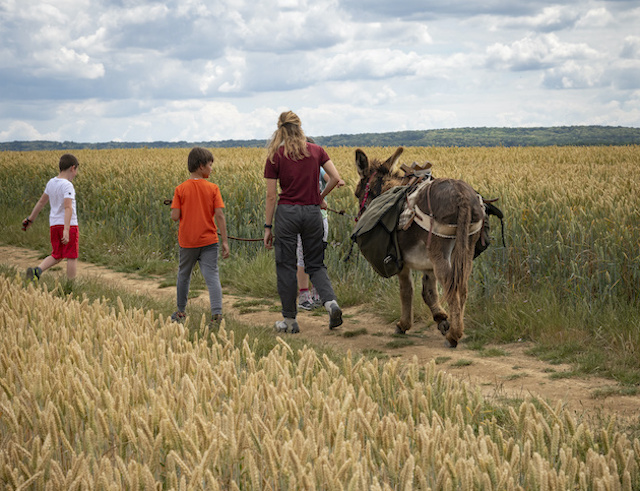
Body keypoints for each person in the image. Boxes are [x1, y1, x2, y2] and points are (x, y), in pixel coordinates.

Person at [263, 111, 344, 333]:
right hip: (312, 213)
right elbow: (336, 178)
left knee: (286, 266)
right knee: (315, 263)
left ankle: (290, 321)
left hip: (287, 214)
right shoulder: (317, 151)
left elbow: (271, 196)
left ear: (280, 129)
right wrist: (320, 197)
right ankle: (330, 303)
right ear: (300, 127)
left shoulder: (275, 155)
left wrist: (268, 227)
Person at [170, 147, 230, 326]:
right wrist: (225, 240)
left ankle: (181, 312)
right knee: (212, 276)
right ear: (201, 166)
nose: (212, 169)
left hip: (187, 242)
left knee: (184, 275)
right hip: (209, 241)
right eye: (210, 165)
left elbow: (174, 216)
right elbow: (219, 215)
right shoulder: (213, 188)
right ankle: (217, 315)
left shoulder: (180, 189)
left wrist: (176, 207)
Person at [22, 153, 80, 283]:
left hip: (54, 225)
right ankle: (71, 285)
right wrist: (66, 229)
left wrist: (30, 219)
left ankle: (37, 271)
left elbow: (41, 202)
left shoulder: (51, 183)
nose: (75, 174)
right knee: (71, 255)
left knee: (57, 254)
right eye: (76, 170)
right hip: (68, 225)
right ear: (72, 168)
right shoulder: (67, 185)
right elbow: (68, 207)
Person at [297, 166, 345, 310]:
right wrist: (321, 196)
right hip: (313, 218)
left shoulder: (317, 169)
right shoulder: (305, 168)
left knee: (309, 257)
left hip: (314, 217)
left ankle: (312, 294)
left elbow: (331, 178)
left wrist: (335, 183)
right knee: (307, 257)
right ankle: (307, 295)